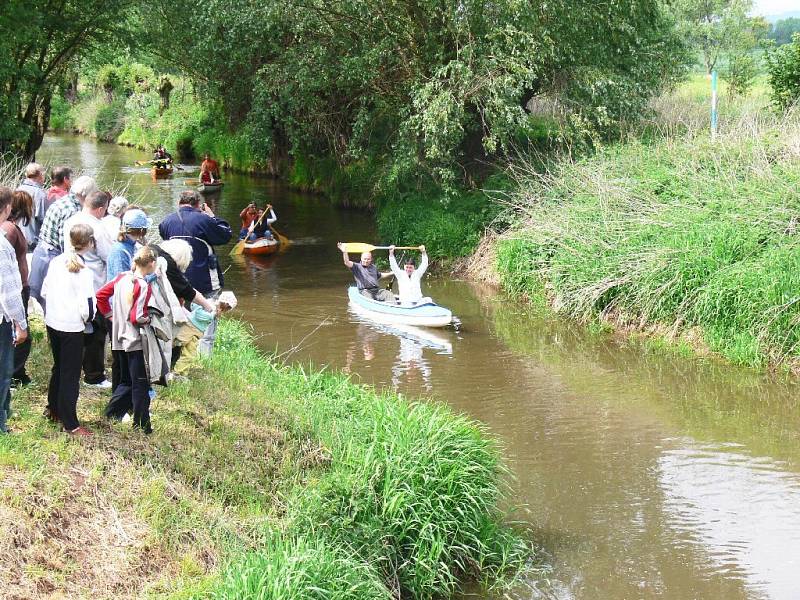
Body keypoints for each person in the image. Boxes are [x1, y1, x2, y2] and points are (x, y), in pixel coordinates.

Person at [96, 246, 162, 433]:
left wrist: (110, 315)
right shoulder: (142, 285)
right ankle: (142, 425)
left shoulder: (121, 278)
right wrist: (149, 319)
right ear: (151, 263)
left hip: (118, 337)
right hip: (134, 341)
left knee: (126, 380)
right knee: (140, 383)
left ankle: (110, 414)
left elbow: (100, 295)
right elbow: (137, 316)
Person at [41, 223, 97, 435]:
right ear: (89, 243)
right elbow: (88, 307)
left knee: (59, 367)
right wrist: (89, 320)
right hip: (72, 326)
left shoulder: (56, 261)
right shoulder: (84, 271)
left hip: (53, 321)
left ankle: (53, 408)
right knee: (70, 374)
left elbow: (45, 291)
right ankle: (71, 423)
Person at [63, 190, 113, 388]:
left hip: (71, 278)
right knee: (96, 332)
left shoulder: (71, 220)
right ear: (101, 209)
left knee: (79, 329)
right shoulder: (97, 227)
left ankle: (80, 368)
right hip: (93, 284)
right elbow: (109, 255)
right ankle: (94, 375)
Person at [29, 175, 98, 309]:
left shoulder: (65, 200)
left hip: (42, 251)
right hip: (51, 255)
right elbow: (66, 243)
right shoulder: (72, 211)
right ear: (87, 195)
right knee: (54, 301)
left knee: (44, 298)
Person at [158, 190, 232, 296]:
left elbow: (164, 238)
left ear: (179, 203)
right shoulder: (204, 219)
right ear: (198, 204)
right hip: (203, 280)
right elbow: (225, 236)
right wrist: (212, 216)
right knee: (208, 309)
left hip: (176, 279)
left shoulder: (166, 222)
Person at [0, 187, 29, 434]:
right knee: (3, 371)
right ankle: (0, 424)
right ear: (7, 208)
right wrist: (20, 323)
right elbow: (9, 289)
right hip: (1, 319)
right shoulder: (2, 243)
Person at [2, 192, 33, 387]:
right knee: (22, 336)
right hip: (15, 290)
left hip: (20, 287)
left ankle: (15, 373)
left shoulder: (13, 227)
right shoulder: (9, 230)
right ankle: (14, 375)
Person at [173, 291, 236, 375]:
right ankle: (171, 369)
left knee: (190, 354)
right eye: (226, 308)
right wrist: (211, 315)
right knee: (175, 345)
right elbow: (198, 313)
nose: (225, 310)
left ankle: (180, 373)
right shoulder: (210, 306)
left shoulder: (213, 307)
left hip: (196, 333)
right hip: (189, 329)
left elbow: (194, 306)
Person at [106, 207, 149, 282]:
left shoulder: (132, 244)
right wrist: (153, 276)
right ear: (142, 231)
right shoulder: (120, 251)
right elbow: (123, 282)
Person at [16, 163, 48, 250]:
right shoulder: (40, 194)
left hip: (18, 237)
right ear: (40, 175)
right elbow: (43, 219)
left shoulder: (18, 189)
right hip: (33, 241)